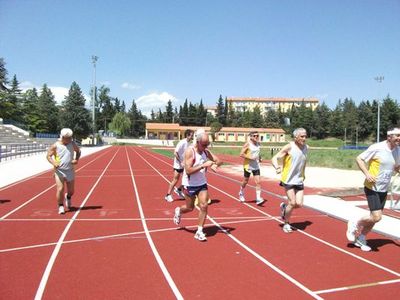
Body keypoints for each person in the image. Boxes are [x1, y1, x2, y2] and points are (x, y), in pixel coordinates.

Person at [346, 128, 400, 251]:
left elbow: (396, 167)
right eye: (397, 135)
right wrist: (367, 173)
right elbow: (359, 158)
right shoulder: (377, 148)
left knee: (374, 218)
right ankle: (355, 221)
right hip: (372, 187)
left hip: (384, 188)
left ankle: (361, 238)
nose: (399, 138)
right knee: (377, 217)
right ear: (389, 137)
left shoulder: (398, 151)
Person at [173, 130, 222, 241]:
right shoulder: (190, 152)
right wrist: (203, 165)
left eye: (207, 144)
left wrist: (215, 165)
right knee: (189, 208)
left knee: (204, 205)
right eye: (204, 144)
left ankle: (199, 231)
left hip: (202, 184)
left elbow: (219, 160)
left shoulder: (205, 152)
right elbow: (188, 170)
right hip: (189, 184)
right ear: (198, 141)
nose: (206, 146)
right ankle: (179, 211)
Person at [272, 128, 308, 233]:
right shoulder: (289, 147)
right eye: (302, 136)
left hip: (299, 179)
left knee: (299, 204)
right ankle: (286, 224)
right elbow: (275, 158)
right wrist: (277, 167)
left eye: (305, 136)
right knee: (292, 203)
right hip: (288, 179)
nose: (304, 138)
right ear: (295, 137)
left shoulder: (306, 148)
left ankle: (284, 208)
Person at [46, 128, 81, 214]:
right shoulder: (55, 145)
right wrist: (53, 162)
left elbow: (78, 151)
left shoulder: (72, 144)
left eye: (70, 138)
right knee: (60, 189)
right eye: (68, 138)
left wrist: (76, 159)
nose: (70, 139)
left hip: (70, 170)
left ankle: (68, 197)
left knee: (71, 191)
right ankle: (60, 206)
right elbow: (48, 156)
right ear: (62, 137)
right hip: (59, 171)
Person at [165, 129, 194, 202]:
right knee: (175, 180)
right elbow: (175, 153)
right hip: (178, 164)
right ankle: (168, 195)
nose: (192, 136)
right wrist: (181, 162)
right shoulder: (182, 143)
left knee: (188, 179)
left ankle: (179, 190)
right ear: (187, 135)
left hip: (184, 164)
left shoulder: (189, 143)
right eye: (191, 135)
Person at [238, 131, 264, 205]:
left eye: (257, 136)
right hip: (248, 165)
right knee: (245, 181)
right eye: (255, 136)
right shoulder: (247, 144)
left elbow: (258, 153)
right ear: (251, 137)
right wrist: (251, 158)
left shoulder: (259, 144)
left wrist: (260, 158)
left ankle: (258, 199)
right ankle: (241, 192)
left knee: (258, 182)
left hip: (256, 165)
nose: (256, 137)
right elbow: (241, 154)